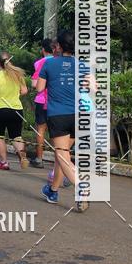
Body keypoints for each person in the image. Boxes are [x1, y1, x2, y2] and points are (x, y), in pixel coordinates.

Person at [36, 30, 90, 212]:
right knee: (63, 155)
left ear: (58, 46)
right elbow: (93, 87)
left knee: (62, 155)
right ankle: (52, 191)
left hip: (58, 115)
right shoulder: (82, 65)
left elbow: (39, 88)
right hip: (79, 114)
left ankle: (81, 188)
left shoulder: (48, 64)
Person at [0, 52, 30, 170]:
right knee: (16, 136)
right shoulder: (18, 75)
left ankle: (4, 162)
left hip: (0, 109)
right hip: (16, 109)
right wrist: (14, 94)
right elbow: (24, 91)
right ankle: (22, 156)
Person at [29, 39, 53, 169]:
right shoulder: (61, 62)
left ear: (43, 49)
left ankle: (39, 158)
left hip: (42, 100)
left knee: (41, 130)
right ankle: (60, 161)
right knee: (57, 133)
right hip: (57, 102)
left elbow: (34, 84)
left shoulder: (40, 63)